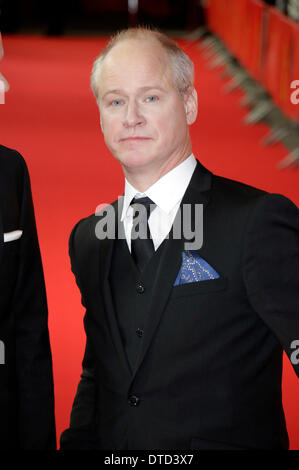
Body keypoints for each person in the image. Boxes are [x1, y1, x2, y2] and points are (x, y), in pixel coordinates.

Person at [60, 27, 299, 451]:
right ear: (100, 115)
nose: (131, 116)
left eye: (150, 97)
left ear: (189, 104)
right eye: (115, 101)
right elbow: (99, 374)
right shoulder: (90, 240)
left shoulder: (257, 222)